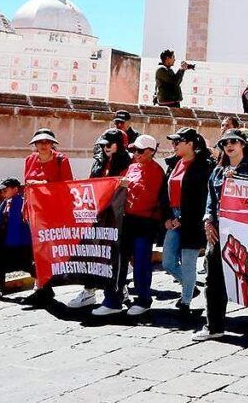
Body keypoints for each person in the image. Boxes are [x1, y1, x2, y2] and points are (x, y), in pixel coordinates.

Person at [194, 129, 248, 341]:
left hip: (245, 230)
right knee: (213, 278)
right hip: (220, 228)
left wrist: (242, 180)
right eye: (225, 142)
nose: (229, 145)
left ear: (243, 144)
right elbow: (210, 199)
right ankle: (214, 325)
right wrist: (207, 220)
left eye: (234, 141)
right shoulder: (218, 171)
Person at [93, 135, 167, 317]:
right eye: (134, 150)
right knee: (118, 262)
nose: (136, 154)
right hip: (126, 220)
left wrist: (128, 186)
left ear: (151, 152)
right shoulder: (132, 167)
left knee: (141, 262)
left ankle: (143, 300)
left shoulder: (156, 171)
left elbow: (148, 198)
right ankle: (113, 299)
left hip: (144, 221)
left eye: (140, 151)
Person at [67, 129, 134, 310]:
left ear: (119, 145)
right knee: (91, 251)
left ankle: (116, 290)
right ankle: (89, 290)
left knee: (111, 255)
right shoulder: (99, 162)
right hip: (97, 215)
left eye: (109, 144)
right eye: (103, 144)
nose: (105, 147)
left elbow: (128, 186)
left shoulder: (128, 162)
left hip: (116, 217)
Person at [162, 128, 214, 317]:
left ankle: (185, 301)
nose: (174, 145)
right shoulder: (174, 164)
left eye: (178, 142)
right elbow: (165, 192)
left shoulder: (203, 166)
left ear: (190, 144)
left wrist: (183, 219)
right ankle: (190, 288)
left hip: (191, 219)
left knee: (188, 262)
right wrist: (167, 216)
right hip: (174, 215)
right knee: (168, 262)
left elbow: (202, 198)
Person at [21, 128, 75, 306]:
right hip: (34, 213)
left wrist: (45, 185)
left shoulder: (61, 160)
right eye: (40, 142)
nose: (43, 145)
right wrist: (25, 209)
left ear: (53, 144)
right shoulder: (30, 160)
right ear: (34, 145)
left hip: (53, 213)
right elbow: (27, 187)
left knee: (46, 251)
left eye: (47, 142)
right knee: (34, 252)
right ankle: (42, 287)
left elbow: (67, 186)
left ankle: (42, 288)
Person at [0, 178, 32, 300]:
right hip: (3, 239)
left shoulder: (23, 203)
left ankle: (42, 283)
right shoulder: (4, 203)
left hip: (19, 241)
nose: (2, 193)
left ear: (15, 189)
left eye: (5, 190)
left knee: (25, 264)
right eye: (1, 191)